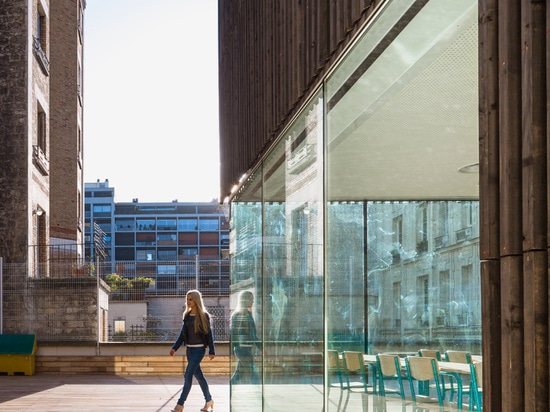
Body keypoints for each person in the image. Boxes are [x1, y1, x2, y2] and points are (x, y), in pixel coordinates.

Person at [169, 290, 215, 412]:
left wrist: (212, 350)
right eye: (187, 299)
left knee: (188, 374)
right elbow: (182, 335)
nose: (188, 302)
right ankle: (209, 400)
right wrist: (175, 347)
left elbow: (209, 334)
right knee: (199, 376)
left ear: (196, 300)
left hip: (199, 350)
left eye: (191, 299)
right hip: (189, 350)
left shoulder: (204, 316)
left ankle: (180, 404)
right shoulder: (187, 316)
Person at [230, 290, 260, 384]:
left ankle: (231, 385)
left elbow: (253, 334)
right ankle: (257, 389)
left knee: (239, 373)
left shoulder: (249, 315)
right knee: (253, 371)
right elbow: (233, 334)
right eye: (251, 299)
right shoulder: (237, 315)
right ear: (244, 300)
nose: (253, 301)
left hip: (247, 349)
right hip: (241, 349)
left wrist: (261, 347)